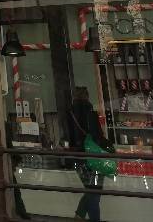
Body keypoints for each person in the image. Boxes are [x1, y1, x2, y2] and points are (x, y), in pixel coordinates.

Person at [67, 86, 112, 222]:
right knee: (94, 193)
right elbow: (98, 136)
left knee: (90, 190)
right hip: (94, 157)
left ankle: (79, 216)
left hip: (78, 158)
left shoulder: (69, 113)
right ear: (87, 96)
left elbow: (68, 137)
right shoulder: (90, 112)